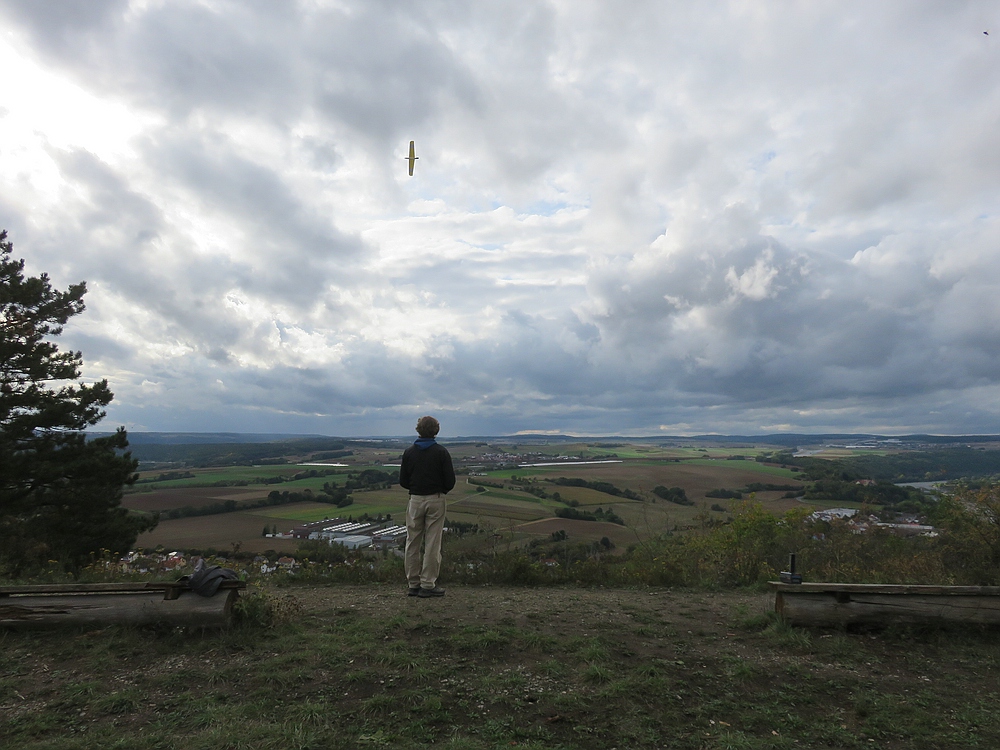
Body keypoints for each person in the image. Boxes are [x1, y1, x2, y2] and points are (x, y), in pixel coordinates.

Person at [398, 415, 456, 597]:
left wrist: (416, 489)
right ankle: (428, 585)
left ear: (418, 430)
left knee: (412, 541)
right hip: (436, 499)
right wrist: (440, 491)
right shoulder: (441, 452)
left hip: (415, 499)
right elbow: (450, 481)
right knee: (432, 543)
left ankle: (413, 584)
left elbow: (403, 481)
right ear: (436, 431)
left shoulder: (409, 452)